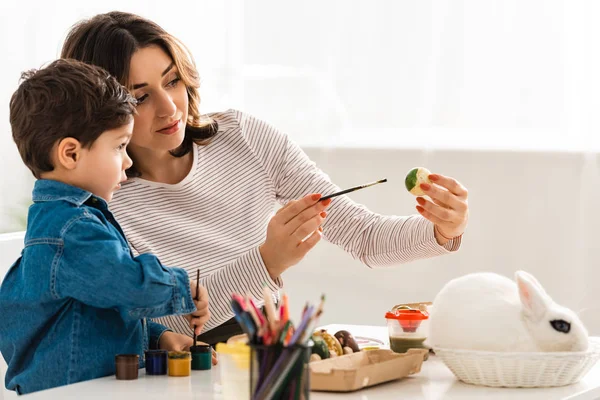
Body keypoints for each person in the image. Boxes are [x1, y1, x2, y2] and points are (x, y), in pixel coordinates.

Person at [60, 11, 469, 345]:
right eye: (141, 97)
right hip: (185, 378)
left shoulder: (243, 137)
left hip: (272, 357)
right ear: (101, 109)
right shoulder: (100, 203)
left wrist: (441, 230)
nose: (170, 108)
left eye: (172, 81)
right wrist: (267, 261)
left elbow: (366, 238)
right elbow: (161, 326)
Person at [0, 59, 210, 394]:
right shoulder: (73, 231)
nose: (127, 160)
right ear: (70, 154)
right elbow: (127, 285)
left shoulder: (68, 224)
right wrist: (180, 289)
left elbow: (96, 313)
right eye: (119, 146)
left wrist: (159, 335)